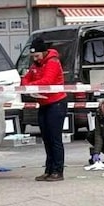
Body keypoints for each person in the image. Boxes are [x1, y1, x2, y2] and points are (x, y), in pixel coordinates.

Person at [21, 37, 67, 182]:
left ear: (44, 52)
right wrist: (29, 85)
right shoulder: (36, 64)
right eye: (33, 56)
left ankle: (58, 171)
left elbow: (48, 81)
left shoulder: (52, 62)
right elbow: (24, 79)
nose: (35, 59)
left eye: (37, 56)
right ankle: (49, 170)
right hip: (44, 103)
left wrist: (31, 85)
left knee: (55, 139)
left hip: (56, 103)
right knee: (46, 139)